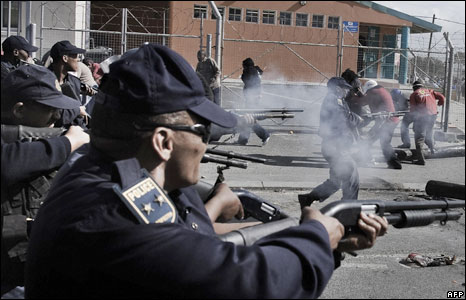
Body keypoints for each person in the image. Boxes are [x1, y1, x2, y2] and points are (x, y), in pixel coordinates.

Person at [25, 44, 387, 299]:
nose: (206, 144)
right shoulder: (112, 216)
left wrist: (328, 241)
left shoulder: (109, 169)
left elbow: (188, 237)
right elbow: (254, 285)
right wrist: (317, 236)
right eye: (203, 132)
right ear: (163, 142)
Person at [1, 64, 89, 296]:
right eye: (50, 109)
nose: (57, 115)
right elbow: (7, 164)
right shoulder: (14, 150)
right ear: (19, 111)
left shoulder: (36, 133)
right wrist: (67, 144)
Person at [298, 77, 363, 208]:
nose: (346, 91)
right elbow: (344, 119)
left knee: (336, 182)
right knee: (352, 176)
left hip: (334, 146)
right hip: (336, 147)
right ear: (338, 88)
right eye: (345, 88)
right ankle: (349, 209)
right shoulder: (333, 100)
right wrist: (358, 119)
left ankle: (308, 198)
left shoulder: (337, 100)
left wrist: (360, 119)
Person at [355, 80, 402, 169]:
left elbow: (362, 102)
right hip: (391, 120)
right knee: (384, 143)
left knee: (369, 140)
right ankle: (394, 164)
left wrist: (355, 95)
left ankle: (364, 159)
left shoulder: (373, 92)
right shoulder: (382, 90)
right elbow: (368, 99)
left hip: (385, 122)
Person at [48, 40, 90, 128]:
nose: (78, 60)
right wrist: (77, 111)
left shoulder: (74, 82)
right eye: (75, 56)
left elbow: (78, 114)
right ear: (65, 58)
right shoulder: (44, 81)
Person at [409, 80, 445, 165]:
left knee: (419, 137)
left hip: (423, 117)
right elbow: (442, 97)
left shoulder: (414, 94)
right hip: (433, 115)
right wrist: (440, 103)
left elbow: (413, 110)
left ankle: (421, 159)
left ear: (414, 88)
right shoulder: (430, 91)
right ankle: (433, 150)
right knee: (429, 133)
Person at [238, 57, 271, 146]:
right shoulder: (256, 69)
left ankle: (264, 135)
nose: (243, 68)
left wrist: (243, 74)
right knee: (248, 117)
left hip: (251, 98)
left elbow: (245, 80)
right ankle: (243, 139)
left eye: (243, 66)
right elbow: (260, 73)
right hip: (255, 97)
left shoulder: (249, 71)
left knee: (250, 118)